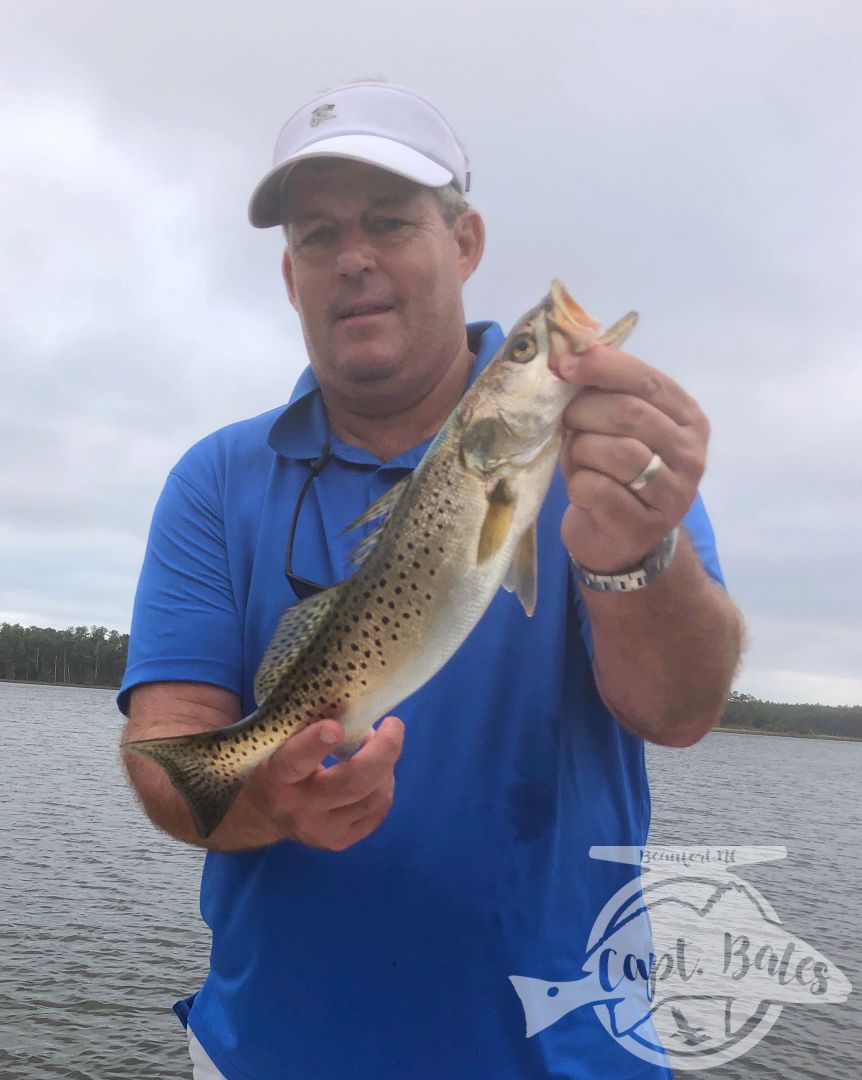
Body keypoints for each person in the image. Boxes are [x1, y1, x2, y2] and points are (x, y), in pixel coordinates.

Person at [119, 81, 743, 1080]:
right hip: (268, 1054)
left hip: (563, 1058)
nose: (354, 257)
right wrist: (271, 798)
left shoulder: (606, 461)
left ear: (464, 243)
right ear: (290, 278)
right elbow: (169, 756)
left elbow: (676, 713)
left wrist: (634, 552)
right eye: (319, 234)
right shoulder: (214, 479)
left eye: (389, 221)